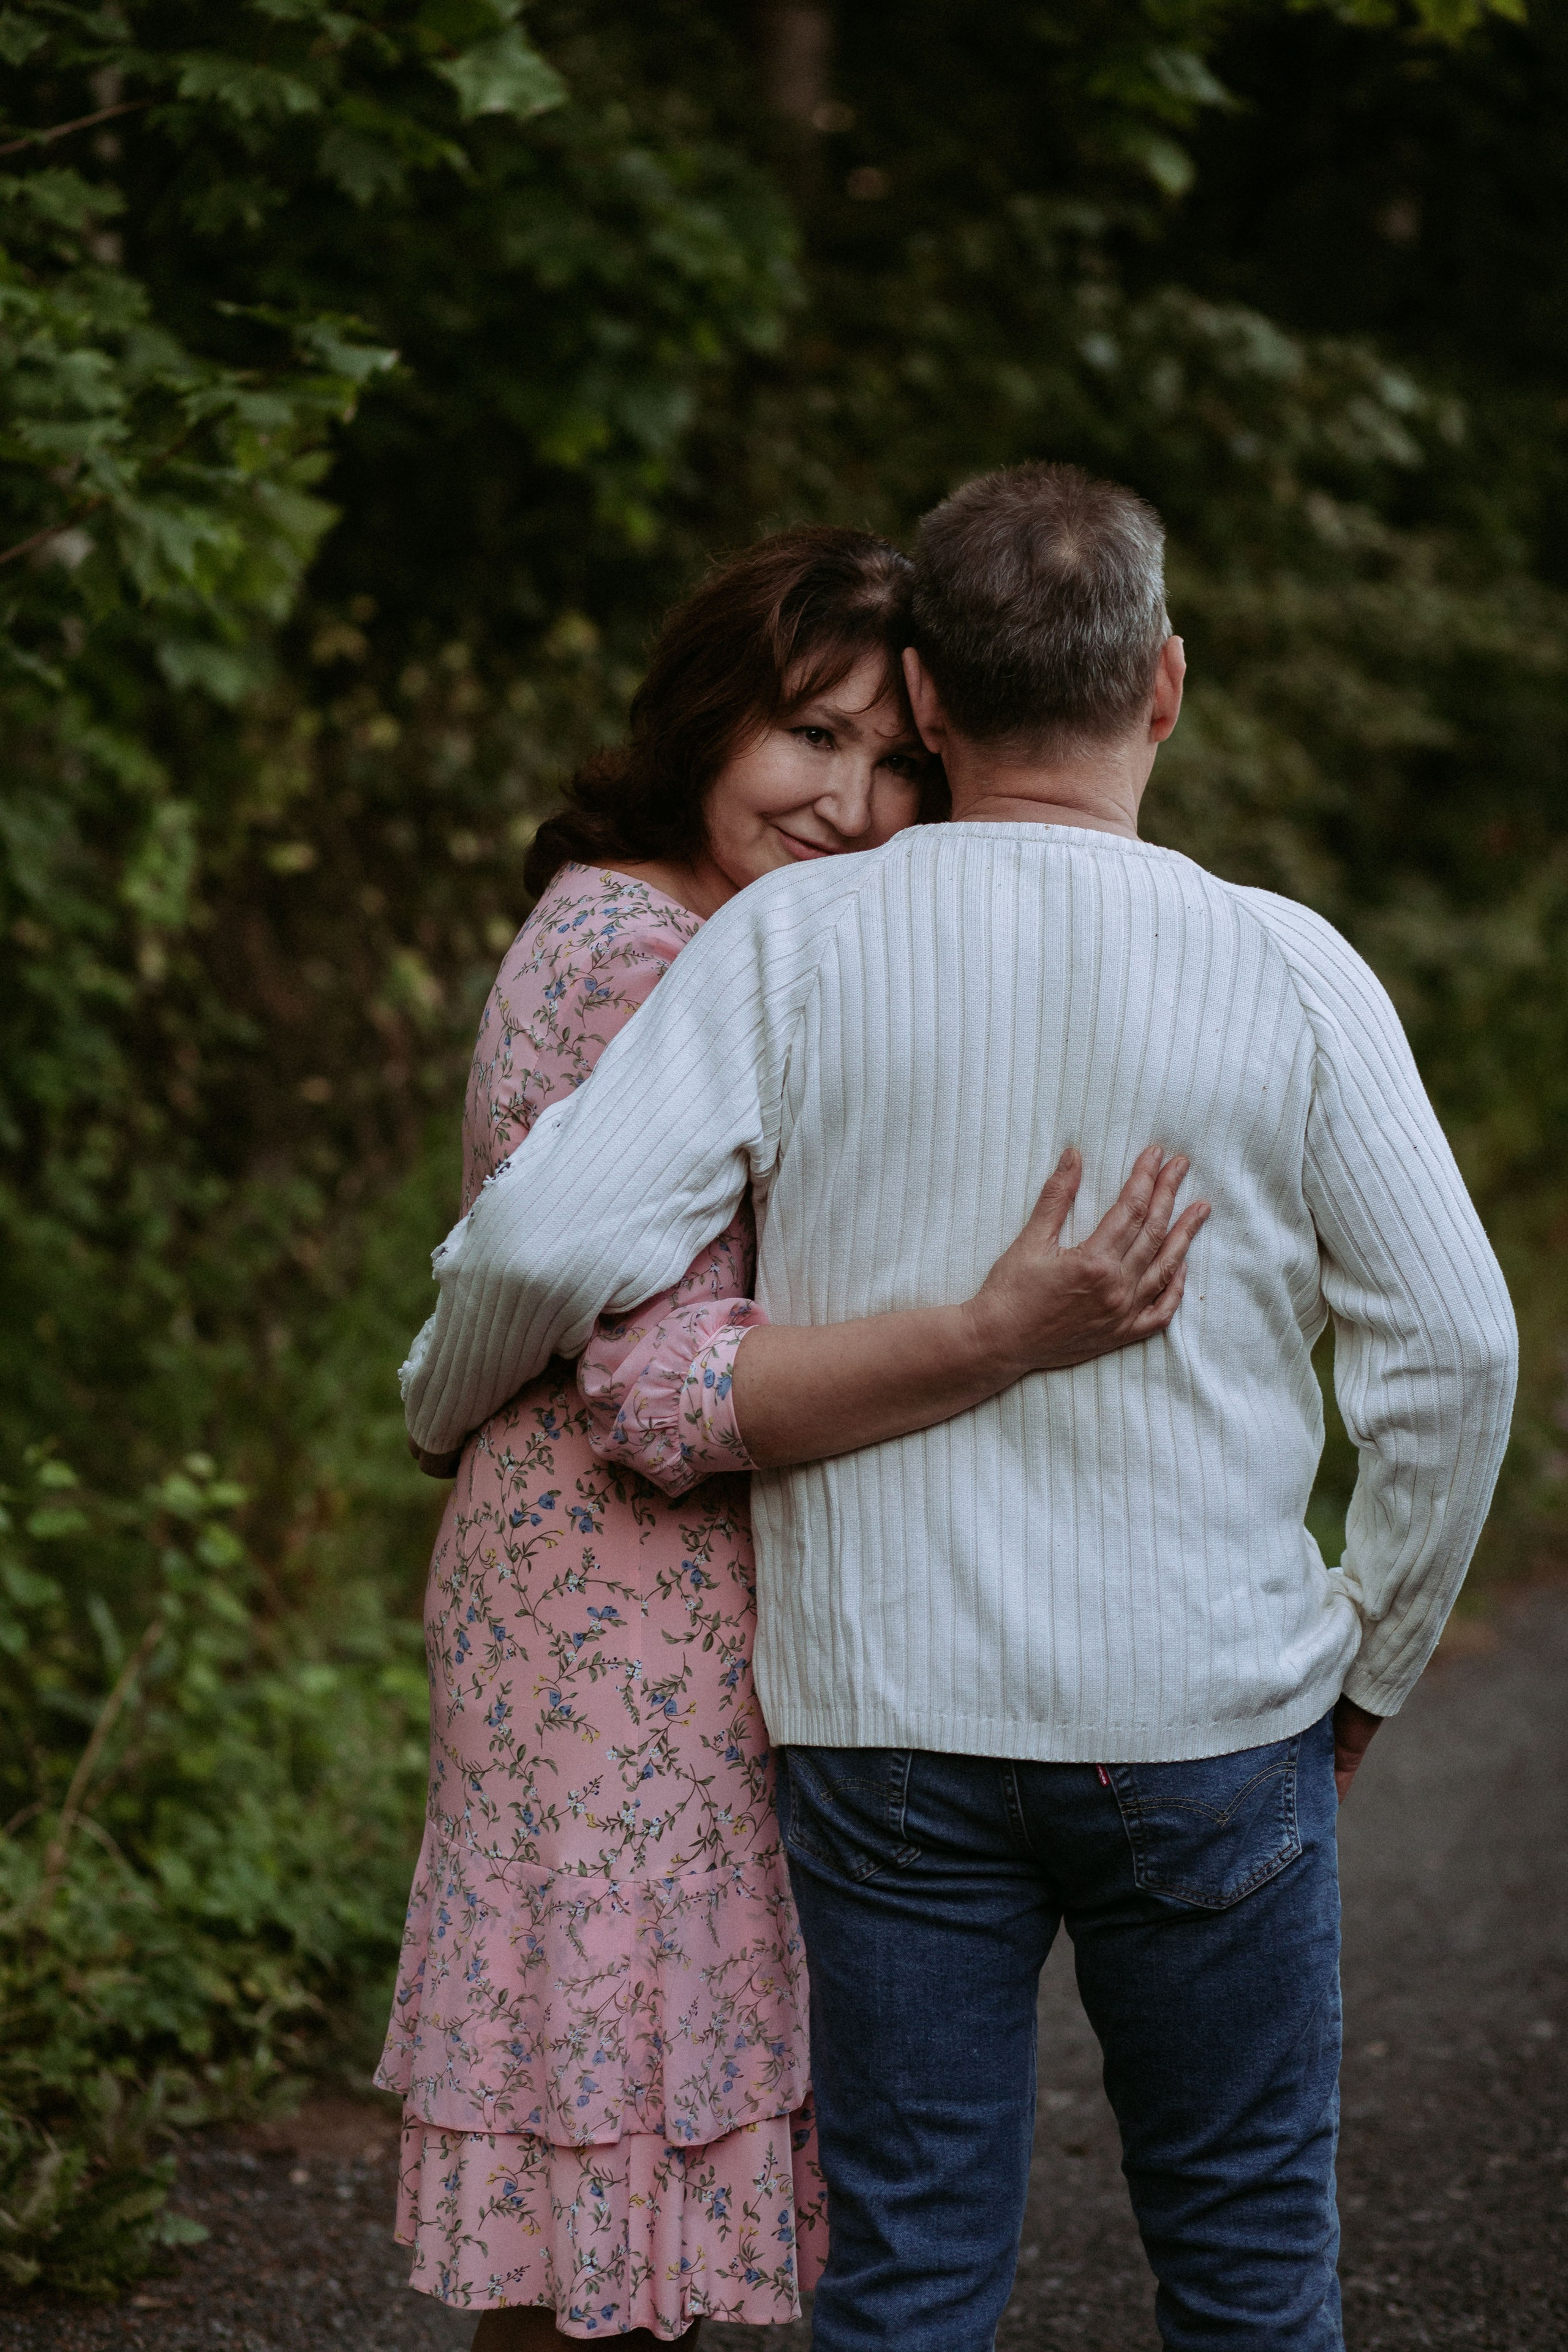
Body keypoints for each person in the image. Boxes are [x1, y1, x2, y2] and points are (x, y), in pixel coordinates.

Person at [401, 464, 1518, 2351]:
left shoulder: (784, 944)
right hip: (1210, 1713)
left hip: (887, 1723)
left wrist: (443, 1388)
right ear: (1164, 687)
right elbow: (1459, 1354)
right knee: (1251, 2265)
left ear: (925, 701)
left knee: (911, 2277)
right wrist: (1369, 1656)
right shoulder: (1290, 964)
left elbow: (544, 1233)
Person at [379, 522, 1207, 2350]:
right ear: (705, 723)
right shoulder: (628, 944)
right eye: (807, 737)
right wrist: (992, 1337)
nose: (850, 797)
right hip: (610, 1600)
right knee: (605, 2167)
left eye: (894, 756)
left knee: (670, 2148)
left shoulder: (775, 941)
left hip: (728, 1601)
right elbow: (657, 1383)